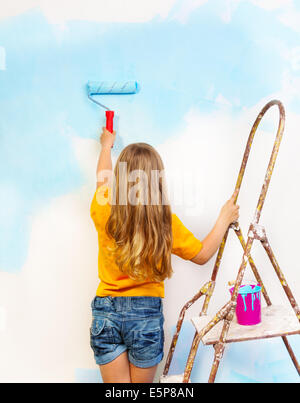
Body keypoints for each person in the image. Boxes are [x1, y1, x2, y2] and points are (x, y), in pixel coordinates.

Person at [90, 127, 239, 383]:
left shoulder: (104, 208)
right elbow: (202, 254)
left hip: (107, 312)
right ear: (157, 179)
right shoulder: (164, 221)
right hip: (145, 316)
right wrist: (223, 219)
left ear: (121, 177)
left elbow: (101, 181)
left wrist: (106, 146)